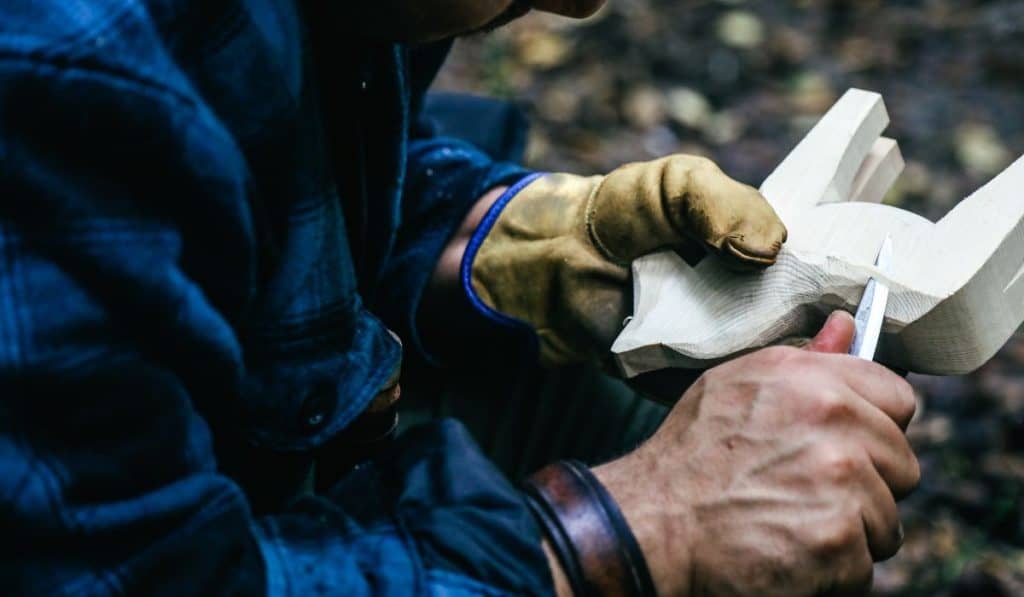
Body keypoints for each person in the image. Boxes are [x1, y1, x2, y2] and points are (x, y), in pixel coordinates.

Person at [0, 0, 919, 595]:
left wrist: (497, 242)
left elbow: (274, 169)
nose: (575, 4)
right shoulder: (61, 72)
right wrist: (634, 527)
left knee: (631, 421)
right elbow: (139, 578)